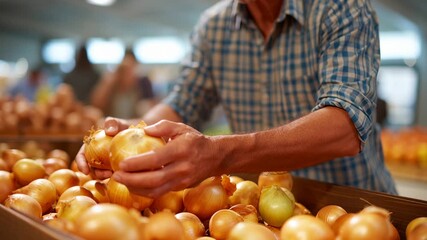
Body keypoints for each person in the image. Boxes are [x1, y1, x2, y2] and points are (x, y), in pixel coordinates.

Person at [76, 0, 397, 198]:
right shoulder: (214, 27)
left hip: (354, 207)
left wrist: (221, 154)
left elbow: (346, 127)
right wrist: (128, 138)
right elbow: (184, 101)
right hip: (261, 212)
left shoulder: (339, 6)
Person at [90, 49, 156, 119]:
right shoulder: (111, 87)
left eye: (131, 70)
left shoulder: (138, 87)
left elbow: (150, 105)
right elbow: (96, 103)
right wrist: (108, 82)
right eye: (125, 71)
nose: (129, 75)